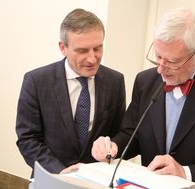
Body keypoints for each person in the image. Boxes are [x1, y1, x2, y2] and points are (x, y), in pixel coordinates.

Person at [91, 8, 195, 188]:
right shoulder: (145, 80)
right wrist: (112, 146)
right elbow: (132, 134)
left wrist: (185, 172)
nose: (160, 69)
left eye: (172, 61)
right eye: (158, 57)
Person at [16, 8, 126, 176]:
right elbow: (27, 139)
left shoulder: (115, 81)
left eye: (98, 48)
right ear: (63, 47)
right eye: (82, 51)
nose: (92, 58)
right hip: (51, 178)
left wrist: (112, 146)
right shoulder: (37, 81)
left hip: (97, 180)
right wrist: (59, 171)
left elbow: (120, 133)